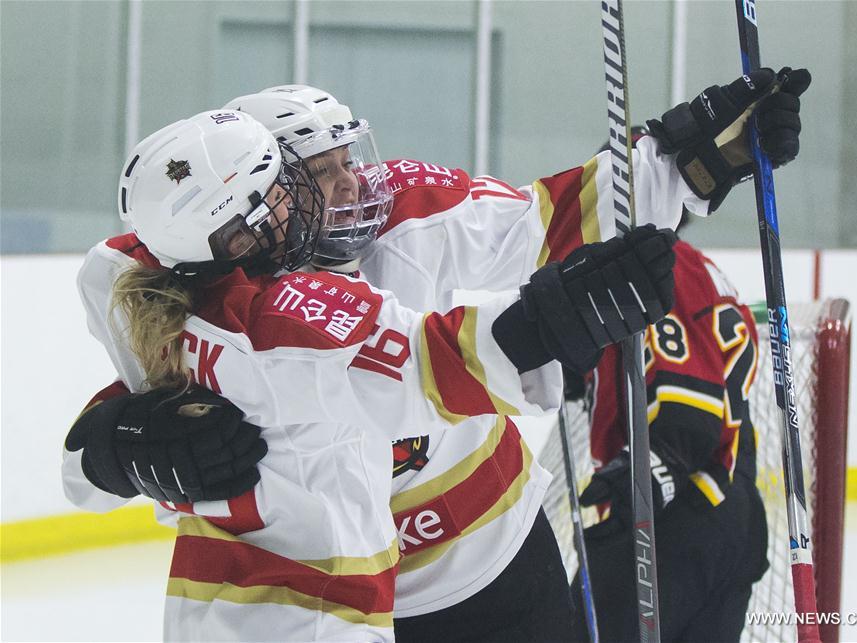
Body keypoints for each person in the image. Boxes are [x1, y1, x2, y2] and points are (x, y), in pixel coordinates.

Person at [65, 65, 808, 641]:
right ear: (265, 188)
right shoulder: (198, 291)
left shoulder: (412, 213)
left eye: (347, 157)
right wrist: (117, 441)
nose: (353, 182)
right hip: (348, 600)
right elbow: (151, 374)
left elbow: (548, 217)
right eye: (321, 173)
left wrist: (689, 165)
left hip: (496, 563)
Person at [569, 124, 781, 642]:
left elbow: (692, 405)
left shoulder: (653, 270)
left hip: (673, 519)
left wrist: (646, 476)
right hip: (731, 513)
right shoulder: (702, 268)